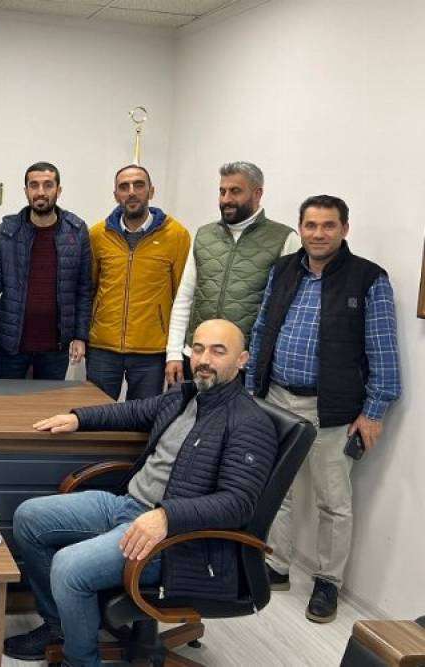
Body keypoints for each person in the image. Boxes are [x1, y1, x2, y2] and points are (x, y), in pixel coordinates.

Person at [5, 319, 277, 667]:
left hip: (175, 542)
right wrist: (78, 418)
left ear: (242, 359)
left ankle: (80, 660)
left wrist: (166, 516)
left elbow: (238, 503)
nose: (204, 360)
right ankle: (61, 626)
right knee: (29, 517)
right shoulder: (185, 395)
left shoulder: (248, 422)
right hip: (127, 506)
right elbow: (131, 410)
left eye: (218, 351)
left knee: (68, 567)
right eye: (197, 349)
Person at [246, 195, 401, 623]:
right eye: (311, 225)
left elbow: (384, 352)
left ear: (344, 229)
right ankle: (276, 565)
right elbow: (261, 330)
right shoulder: (283, 270)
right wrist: (252, 390)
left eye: (328, 225)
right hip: (276, 398)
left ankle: (327, 583)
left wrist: (374, 411)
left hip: (330, 408)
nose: (318, 234)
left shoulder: (368, 279)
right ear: (300, 228)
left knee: (333, 502)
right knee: (276, 490)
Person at [0, 162, 91, 380]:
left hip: (56, 346)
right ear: (26, 191)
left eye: (48, 185)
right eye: (34, 185)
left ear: (58, 190)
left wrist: (80, 336)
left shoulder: (77, 231)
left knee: (49, 400)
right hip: (11, 343)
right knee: (7, 400)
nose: (41, 192)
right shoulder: (6, 231)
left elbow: (84, 289)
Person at [164, 161, 300, 386]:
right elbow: (185, 298)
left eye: (235, 191)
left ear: (257, 193)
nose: (226, 199)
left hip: (245, 364)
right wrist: (174, 353)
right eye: (222, 191)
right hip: (197, 358)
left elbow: (290, 310)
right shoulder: (204, 235)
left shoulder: (285, 239)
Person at [85, 165, 190, 399]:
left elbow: (182, 296)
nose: (131, 192)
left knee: (142, 416)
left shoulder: (176, 235)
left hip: (151, 351)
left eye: (139, 185)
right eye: (124, 187)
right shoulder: (98, 234)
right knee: (96, 413)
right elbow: (89, 288)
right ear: (116, 195)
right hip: (103, 347)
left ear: (151, 191)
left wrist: (175, 351)